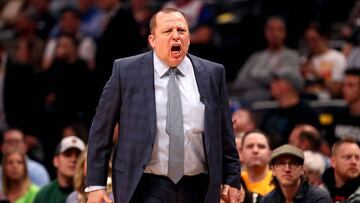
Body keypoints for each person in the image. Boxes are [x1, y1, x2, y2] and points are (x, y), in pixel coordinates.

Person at [86, 8, 241, 203]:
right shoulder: (125, 71)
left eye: (181, 31)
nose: (176, 36)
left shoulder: (212, 73)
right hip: (144, 184)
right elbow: (101, 130)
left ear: (189, 38)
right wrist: (95, 185)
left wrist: (232, 178)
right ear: (152, 41)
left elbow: (225, 133)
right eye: (168, 31)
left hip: (199, 185)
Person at [232, 17, 299, 104]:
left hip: (281, 104)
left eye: (279, 29)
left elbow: (296, 83)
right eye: (271, 29)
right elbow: (239, 82)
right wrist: (273, 77)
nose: (275, 33)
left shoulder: (292, 56)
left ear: (285, 33)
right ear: (265, 32)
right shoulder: (256, 57)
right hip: (253, 102)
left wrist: (257, 76)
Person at [261, 144, 331, 203]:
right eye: (281, 163)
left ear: (302, 169)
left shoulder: (318, 199)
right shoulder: (267, 200)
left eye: (293, 163)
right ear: (273, 170)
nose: (287, 169)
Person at [33, 136, 85, 203]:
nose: (73, 160)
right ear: (56, 161)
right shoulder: (44, 195)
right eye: (67, 154)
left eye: (78, 156)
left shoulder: (88, 193)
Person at [321, 138, 360, 202]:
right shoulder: (318, 194)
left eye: (357, 158)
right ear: (333, 161)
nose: (354, 162)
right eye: (348, 157)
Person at [240, 130, 274, 203]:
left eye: (261, 146)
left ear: (270, 154)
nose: (255, 150)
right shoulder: (234, 182)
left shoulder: (280, 182)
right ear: (241, 153)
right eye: (250, 146)